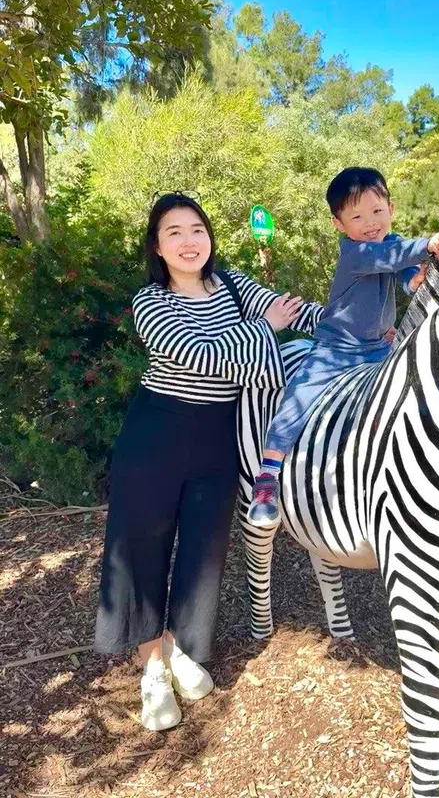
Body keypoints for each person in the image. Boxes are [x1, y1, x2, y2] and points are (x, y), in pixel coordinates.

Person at [94, 192, 322, 731]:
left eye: (197, 229)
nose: (189, 240)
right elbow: (203, 355)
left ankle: (177, 645)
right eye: (174, 232)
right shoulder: (150, 301)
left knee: (204, 547)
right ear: (157, 245)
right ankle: (150, 663)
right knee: (143, 544)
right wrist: (264, 329)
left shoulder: (237, 286)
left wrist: (355, 325)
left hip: (219, 434)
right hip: (158, 431)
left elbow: (297, 311)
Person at [247, 166, 439, 526]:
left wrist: (418, 278)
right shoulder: (355, 253)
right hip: (336, 348)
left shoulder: (391, 244)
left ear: (391, 208)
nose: (369, 222)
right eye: (356, 216)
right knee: (299, 395)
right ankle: (267, 474)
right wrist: (426, 246)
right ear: (339, 224)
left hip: (378, 346)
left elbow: (405, 278)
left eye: (376, 211)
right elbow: (393, 258)